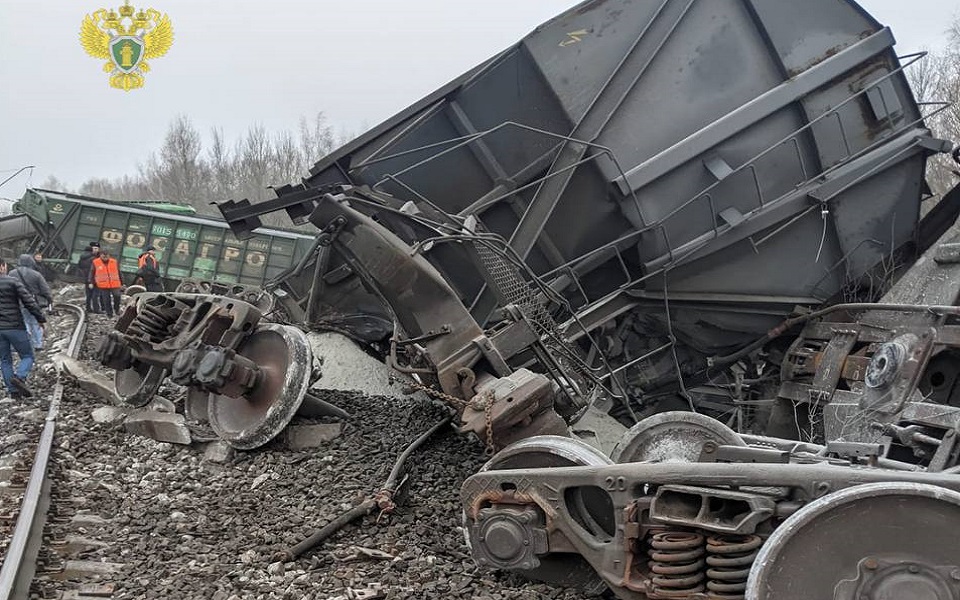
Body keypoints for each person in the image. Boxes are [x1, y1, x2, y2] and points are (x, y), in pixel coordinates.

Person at [0, 258, 46, 399]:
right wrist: (40, 318)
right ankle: (20, 377)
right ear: (2, 267)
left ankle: (13, 391)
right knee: (27, 355)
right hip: (15, 326)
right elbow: (29, 302)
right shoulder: (13, 282)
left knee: (5, 360)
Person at [9, 254, 52, 351]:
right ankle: (38, 344)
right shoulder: (36, 274)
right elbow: (45, 290)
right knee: (35, 322)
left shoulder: (12, 273)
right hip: (33, 302)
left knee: (22, 321)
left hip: (17, 301)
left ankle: (23, 342)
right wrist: (49, 299)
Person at [90, 250, 122, 317]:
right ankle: (109, 313)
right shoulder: (96, 262)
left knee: (117, 296)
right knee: (106, 300)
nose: (105, 257)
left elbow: (119, 272)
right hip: (103, 285)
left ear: (109, 255)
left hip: (115, 283)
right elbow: (92, 273)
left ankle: (116, 309)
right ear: (100, 255)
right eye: (103, 255)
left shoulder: (114, 262)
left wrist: (122, 282)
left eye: (106, 255)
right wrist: (91, 282)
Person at [77, 242, 101, 313]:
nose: (95, 250)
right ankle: (96, 309)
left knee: (89, 294)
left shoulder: (83, 256)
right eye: (94, 248)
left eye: (96, 248)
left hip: (86, 278)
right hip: (93, 278)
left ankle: (88, 308)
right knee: (95, 294)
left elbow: (79, 266)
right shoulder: (94, 258)